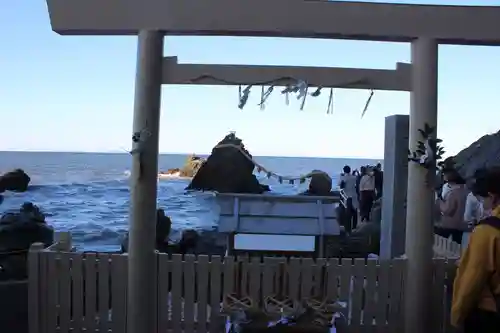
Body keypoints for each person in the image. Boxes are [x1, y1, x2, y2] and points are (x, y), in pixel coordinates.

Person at [451, 166, 500, 332]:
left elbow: (473, 279)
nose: (482, 204)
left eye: (482, 199)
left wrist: (458, 314)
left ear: (492, 197)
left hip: (490, 313)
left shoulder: (487, 232)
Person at [434, 169, 468, 244]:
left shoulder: (454, 193)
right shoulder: (466, 190)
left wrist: (439, 201)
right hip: (461, 225)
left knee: (439, 243)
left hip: (448, 225)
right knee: (457, 245)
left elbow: (447, 210)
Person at [338, 165, 358, 230]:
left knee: (347, 214)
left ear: (344, 170)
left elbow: (341, 186)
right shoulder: (354, 177)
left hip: (347, 197)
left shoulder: (343, 177)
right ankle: (354, 227)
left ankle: (348, 229)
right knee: (355, 212)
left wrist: (341, 177)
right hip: (354, 196)